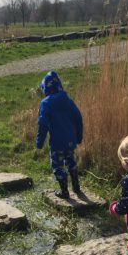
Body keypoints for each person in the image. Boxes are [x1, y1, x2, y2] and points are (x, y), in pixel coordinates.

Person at [35, 70, 84, 199]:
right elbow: (78, 118)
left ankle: (64, 191)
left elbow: (42, 124)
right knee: (71, 160)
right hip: (70, 140)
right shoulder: (68, 100)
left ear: (46, 88)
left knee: (56, 165)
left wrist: (39, 142)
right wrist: (79, 137)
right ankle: (76, 186)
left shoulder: (46, 103)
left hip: (57, 142)